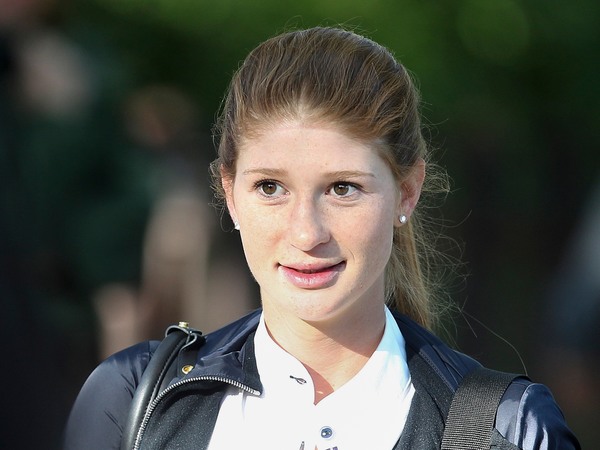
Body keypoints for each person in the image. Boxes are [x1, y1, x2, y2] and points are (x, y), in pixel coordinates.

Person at [64, 26, 579, 449]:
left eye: (342, 188)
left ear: (406, 192)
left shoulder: (506, 430)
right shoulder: (136, 400)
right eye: (270, 187)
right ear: (230, 194)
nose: (307, 232)